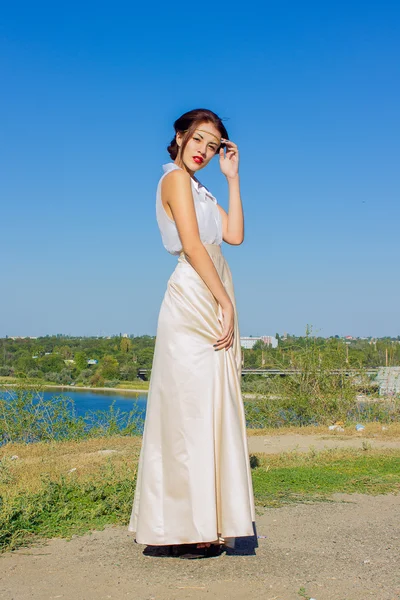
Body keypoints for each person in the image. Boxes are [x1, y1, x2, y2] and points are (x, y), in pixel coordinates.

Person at [128, 108, 255, 558]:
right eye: (198, 139)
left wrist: (232, 178)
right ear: (179, 137)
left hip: (214, 285)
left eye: (214, 144)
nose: (204, 150)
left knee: (209, 407)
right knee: (188, 411)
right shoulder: (175, 180)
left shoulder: (200, 187)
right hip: (195, 294)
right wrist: (224, 302)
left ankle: (205, 521)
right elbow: (193, 244)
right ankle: (186, 525)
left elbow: (234, 235)